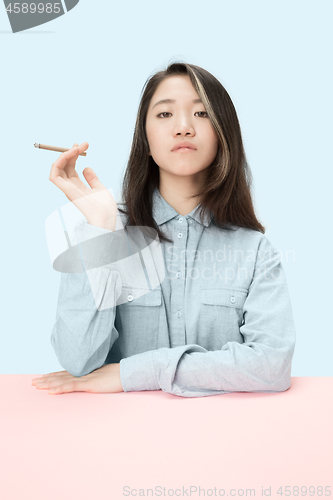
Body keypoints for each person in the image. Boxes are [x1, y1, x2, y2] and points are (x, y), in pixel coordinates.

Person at [32, 62, 296, 397]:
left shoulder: (256, 251)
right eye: (165, 114)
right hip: (118, 437)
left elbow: (271, 367)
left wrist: (136, 372)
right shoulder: (106, 232)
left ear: (222, 134)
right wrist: (100, 233)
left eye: (201, 114)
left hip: (224, 438)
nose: (184, 127)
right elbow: (76, 361)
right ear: (145, 138)